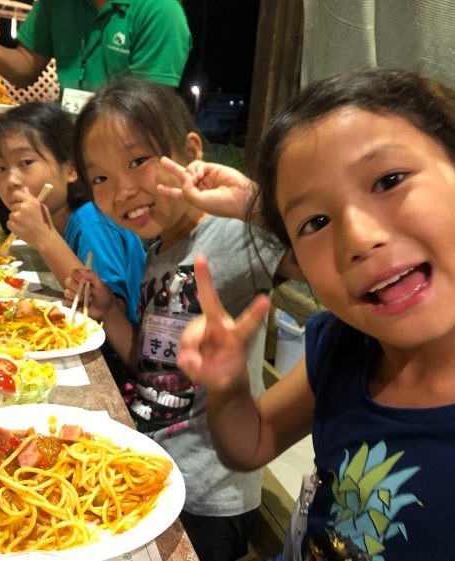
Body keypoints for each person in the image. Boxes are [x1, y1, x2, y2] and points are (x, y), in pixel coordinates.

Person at [173, 69, 455, 560]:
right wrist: (229, 382)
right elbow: (250, 443)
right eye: (316, 222)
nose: (359, 238)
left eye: (389, 180)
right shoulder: (344, 346)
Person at [64, 77, 292, 561]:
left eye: (138, 160)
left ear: (191, 152)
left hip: (210, 495)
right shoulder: (156, 255)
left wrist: (257, 207)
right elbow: (146, 365)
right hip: (150, 471)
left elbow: (322, 264)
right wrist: (106, 312)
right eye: (100, 178)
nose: (122, 189)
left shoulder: (235, 237)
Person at [0, 101, 145, 329]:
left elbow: (106, 314)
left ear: (70, 168)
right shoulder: (64, 220)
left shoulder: (93, 222)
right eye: (1, 168)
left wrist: (44, 237)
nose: (11, 180)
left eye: (26, 162)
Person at [0, 0, 192, 103]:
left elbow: (146, 108)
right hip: (71, 142)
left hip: (133, 155)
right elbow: (26, 66)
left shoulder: (160, 11)